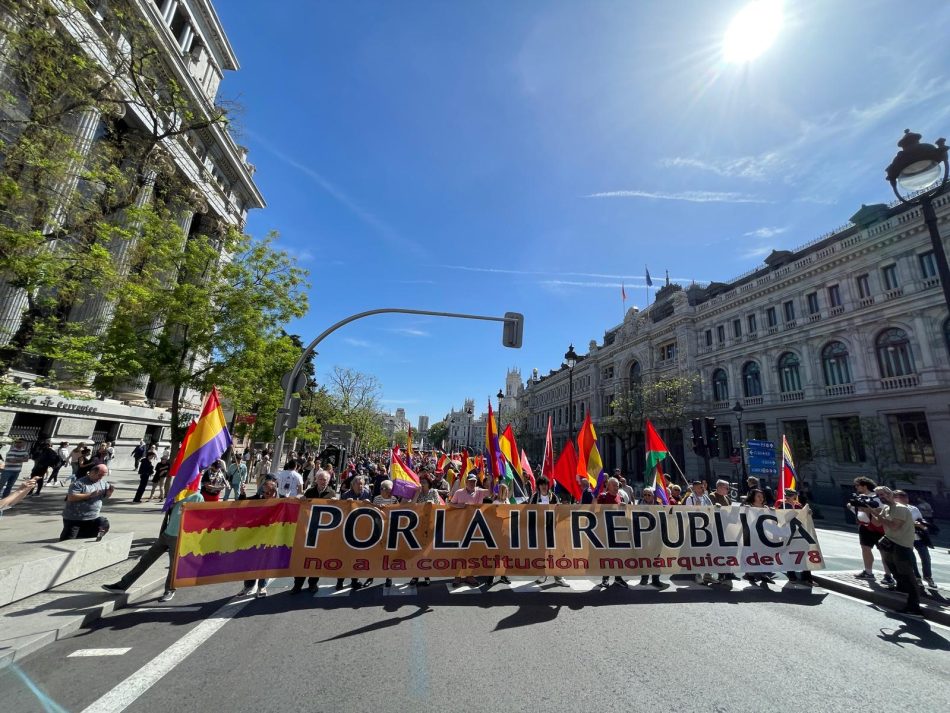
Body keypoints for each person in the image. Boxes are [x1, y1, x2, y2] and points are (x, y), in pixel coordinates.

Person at [102, 491, 203, 602]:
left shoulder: (197, 497)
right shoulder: (177, 493)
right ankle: (122, 585)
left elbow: (199, 518)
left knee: (174, 566)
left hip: (179, 537)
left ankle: (170, 589)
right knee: (145, 560)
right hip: (166, 534)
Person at [858, 486, 924, 618]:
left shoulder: (900, 508)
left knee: (907, 576)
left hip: (902, 546)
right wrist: (868, 510)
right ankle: (905, 595)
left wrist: (877, 514)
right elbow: (876, 524)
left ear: (890, 494)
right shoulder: (886, 508)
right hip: (890, 544)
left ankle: (914, 607)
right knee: (897, 573)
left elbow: (894, 525)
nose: (881, 497)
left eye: (883, 495)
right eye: (878, 496)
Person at [448, 473, 492, 587]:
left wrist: (492, 479)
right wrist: (461, 506)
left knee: (472, 552)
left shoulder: (480, 491)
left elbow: (491, 492)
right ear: (466, 482)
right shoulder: (459, 492)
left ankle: (469, 575)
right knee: (460, 551)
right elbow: (450, 504)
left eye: (474, 481)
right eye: (470, 481)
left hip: (475, 527)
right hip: (461, 526)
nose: (472, 483)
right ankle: (457, 576)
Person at [848, 476, 893, 585]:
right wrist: (852, 506)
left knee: (883, 552)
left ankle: (888, 575)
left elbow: (881, 510)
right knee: (865, 548)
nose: (856, 488)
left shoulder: (876, 497)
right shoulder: (861, 497)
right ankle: (868, 572)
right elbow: (857, 509)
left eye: (857, 485)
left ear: (864, 485)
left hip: (878, 527)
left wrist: (866, 508)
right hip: (864, 526)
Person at [237, 479, 278, 596]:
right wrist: (242, 493)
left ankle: (262, 587)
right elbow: (242, 505)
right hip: (254, 536)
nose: (265, 495)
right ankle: (248, 586)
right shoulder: (258, 498)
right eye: (264, 492)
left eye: (268, 493)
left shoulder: (282, 501)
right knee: (251, 561)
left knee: (265, 562)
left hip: (271, 536)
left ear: (274, 491)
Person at [893, 490, 935, 588]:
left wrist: (922, 525)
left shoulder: (914, 508)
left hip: (918, 537)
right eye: (901, 497)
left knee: (926, 558)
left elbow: (920, 520)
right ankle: (917, 578)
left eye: (905, 497)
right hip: (905, 538)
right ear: (895, 498)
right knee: (912, 559)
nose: (904, 499)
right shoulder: (893, 509)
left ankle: (928, 577)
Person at [337, 475, 372, 591]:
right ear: (353, 485)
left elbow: (372, 510)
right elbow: (339, 511)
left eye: (362, 484)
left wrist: (369, 503)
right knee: (345, 556)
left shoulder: (366, 493)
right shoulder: (346, 495)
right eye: (358, 484)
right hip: (348, 529)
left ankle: (354, 580)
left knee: (358, 556)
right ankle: (340, 580)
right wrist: (346, 504)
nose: (360, 486)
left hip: (361, 529)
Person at [60, 464, 113, 541]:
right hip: (75, 519)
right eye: (99, 475)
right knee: (67, 542)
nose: (101, 477)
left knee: (103, 523)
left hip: (92, 517)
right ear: (92, 472)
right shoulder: (78, 483)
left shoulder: (103, 483)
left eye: (103, 476)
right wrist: (90, 495)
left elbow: (104, 497)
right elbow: (71, 497)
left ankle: (93, 540)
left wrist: (109, 493)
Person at [775, 489, 814, 586]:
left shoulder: (798, 506)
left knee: (803, 554)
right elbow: (777, 516)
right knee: (788, 554)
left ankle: (807, 577)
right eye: (786, 495)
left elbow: (805, 518)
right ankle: (791, 574)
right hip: (787, 534)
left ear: (795, 496)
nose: (787, 496)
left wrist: (809, 513)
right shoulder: (781, 504)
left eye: (790, 495)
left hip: (799, 534)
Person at [597, 478, 629, 588]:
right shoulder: (603, 497)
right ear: (608, 486)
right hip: (606, 531)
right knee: (607, 555)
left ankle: (618, 578)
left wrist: (624, 508)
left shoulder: (620, 497)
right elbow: (597, 512)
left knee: (618, 555)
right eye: (614, 485)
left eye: (617, 486)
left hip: (618, 531)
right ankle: (605, 579)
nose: (616, 488)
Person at [741, 489, 776, 585]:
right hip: (750, 536)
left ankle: (764, 574)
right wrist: (746, 510)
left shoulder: (765, 508)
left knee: (764, 554)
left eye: (762, 496)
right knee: (752, 554)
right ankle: (750, 573)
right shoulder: (747, 507)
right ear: (753, 497)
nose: (761, 498)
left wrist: (772, 512)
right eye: (758, 496)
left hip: (763, 536)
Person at [637, 488, 664, 587]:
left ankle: (655, 579)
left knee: (656, 557)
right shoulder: (639, 504)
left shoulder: (658, 504)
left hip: (656, 534)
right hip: (644, 534)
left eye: (649, 495)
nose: (647, 497)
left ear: (653, 495)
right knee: (645, 557)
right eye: (645, 495)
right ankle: (644, 578)